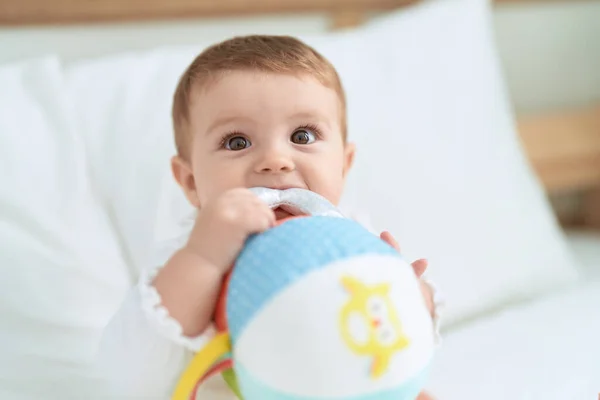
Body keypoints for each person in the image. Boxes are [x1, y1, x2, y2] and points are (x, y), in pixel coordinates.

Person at [94, 35, 442, 400]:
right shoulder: (188, 254)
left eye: (302, 135)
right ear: (192, 182)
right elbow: (129, 371)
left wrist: (410, 299)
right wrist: (205, 258)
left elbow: (387, 338)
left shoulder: (353, 239)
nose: (276, 159)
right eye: (237, 142)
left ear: (344, 164)